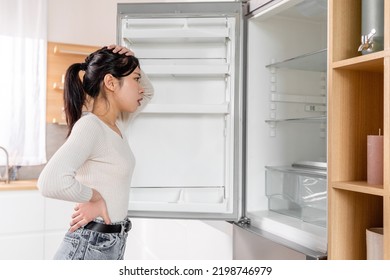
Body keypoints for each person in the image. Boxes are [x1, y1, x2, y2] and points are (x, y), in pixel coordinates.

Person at [37, 45, 154, 260]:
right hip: (91, 245)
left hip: (108, 243)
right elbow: (49, 182)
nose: (141, 87)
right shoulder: (91, 126)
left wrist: (131, 58)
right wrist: (95, 198)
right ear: (110, 82)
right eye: (136, 79)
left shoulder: (117, 124)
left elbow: (148, 93)